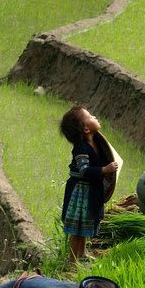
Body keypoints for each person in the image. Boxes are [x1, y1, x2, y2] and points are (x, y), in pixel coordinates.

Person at [60, 106, 120, 261]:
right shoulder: (81, 148)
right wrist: (104, 170)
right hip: (81, 192)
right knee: (77, 229)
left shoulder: (97, 143)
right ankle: (73, 260)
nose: (94, 116)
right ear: (86, 129)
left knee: (85, 225)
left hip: (91, 191)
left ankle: (83, 253)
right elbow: (84, 171)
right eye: (90, 116)